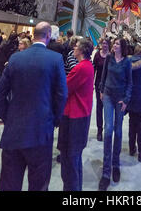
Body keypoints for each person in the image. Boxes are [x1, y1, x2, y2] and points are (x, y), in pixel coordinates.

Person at [0, 22, 68, 191]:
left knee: (9, 185)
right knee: (38, 184)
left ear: (34, 35)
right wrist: (54, 120)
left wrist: (8, 118)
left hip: (14, 132)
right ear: (49, 35)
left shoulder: (15, 58)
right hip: (41, 132)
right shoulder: (55, 59)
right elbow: (62, 95)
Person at [57, 38, 94, 191]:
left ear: (82, 50)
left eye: (77, 46)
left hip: (74, 117)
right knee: (74, 157)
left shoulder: (81, 68)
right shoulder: (86, 66)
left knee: (70, 158)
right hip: (79, 115)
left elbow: (64, 88)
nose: (74, 47)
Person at [98, 37, 132, 191]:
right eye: (114, 43)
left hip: (120, 99)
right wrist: (101, 90)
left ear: (122, 47)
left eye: (117, 44)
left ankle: (115, 164)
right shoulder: (109, 58)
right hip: (108, 96)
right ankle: (106, 172)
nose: (114, 45)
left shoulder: (126, 62)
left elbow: (130, 83)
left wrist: (126, 100)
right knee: (108, 131)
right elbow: (103, 75)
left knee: (118, 132)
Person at [93, 38, 111, 141]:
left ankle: (107, 129)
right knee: (99, 108)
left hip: (109, 85)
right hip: (99, 84)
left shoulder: (111, 56)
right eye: (103, 43)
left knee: (108, 109)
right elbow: (94, 69)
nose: (104, 45)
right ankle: (99, 130)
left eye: (106, 43)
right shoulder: (97, 55)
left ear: (109, 45)